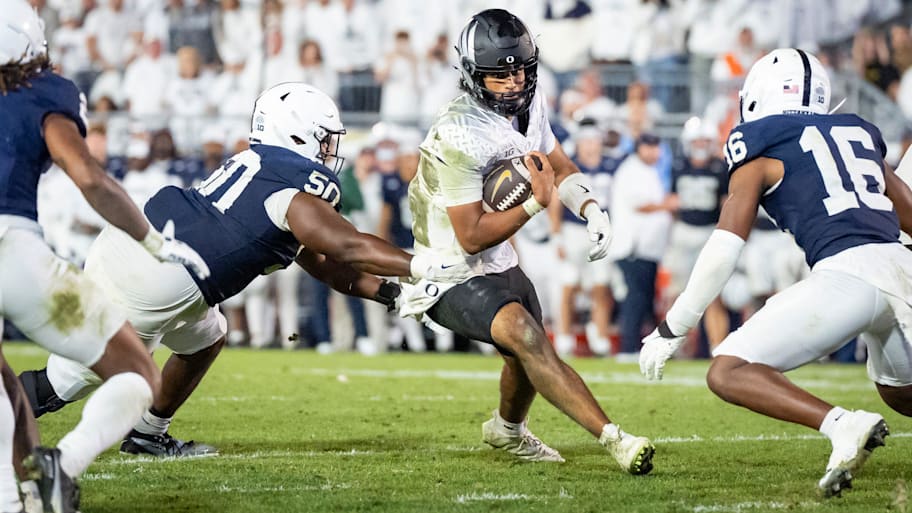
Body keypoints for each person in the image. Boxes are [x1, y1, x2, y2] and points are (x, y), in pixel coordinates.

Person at [20, 82, 473, 459]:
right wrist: (423, 264)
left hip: (146, 248)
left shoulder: (263, 170)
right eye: (325, 138)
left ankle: (148, 433)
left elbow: (323, 263)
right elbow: (348, 246)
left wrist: (392, 294)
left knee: (208, 336)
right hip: (155, 277)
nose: (332, 150)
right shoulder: (291, 187)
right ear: (298, 136)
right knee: (67, 381)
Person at [640, 48, 912, 497]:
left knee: (727, 371)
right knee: (900, 392)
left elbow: (725, 245)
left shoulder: (760, 140)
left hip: (846, 275)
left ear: (758, 95)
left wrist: (674, 325)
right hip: (900, 267)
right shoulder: (858, 134)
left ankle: (842, 425)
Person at [398, 9, 655, 474]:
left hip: (500, 256)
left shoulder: (529, 106)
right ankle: (615, 439)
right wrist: (535, 206)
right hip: (446, 267)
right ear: (475, 76)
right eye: (500, 74)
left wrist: (591, 208)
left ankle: (507, 430)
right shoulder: (458, 133)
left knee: (524, 358)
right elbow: (470, 236)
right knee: (526, 337)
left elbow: (559, 164)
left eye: (520, 69)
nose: (515, 81)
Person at [0, 1, 209, 511]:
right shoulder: (46, 90)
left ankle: (18, 495)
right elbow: (89, 178)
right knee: (140, 373)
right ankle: (60, 465)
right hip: (12, 249)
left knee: (5, 384)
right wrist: (152, 240)